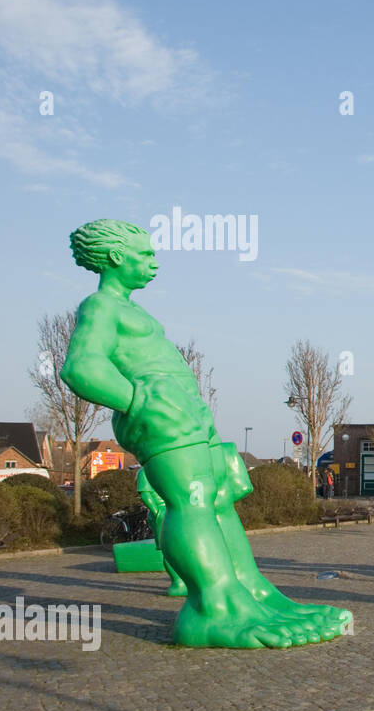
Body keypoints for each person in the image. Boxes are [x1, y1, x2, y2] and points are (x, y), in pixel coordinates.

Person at [60, 219, 350, 647]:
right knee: (190, 502)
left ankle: (252, 592)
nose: (154, 263)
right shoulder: (100, 306)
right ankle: (212, 607)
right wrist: (141, 401)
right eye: (145, 255)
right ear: (117, 257)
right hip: (165, 418)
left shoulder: (132, 309)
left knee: (217, 501)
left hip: (188, 417)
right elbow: (80, 366)